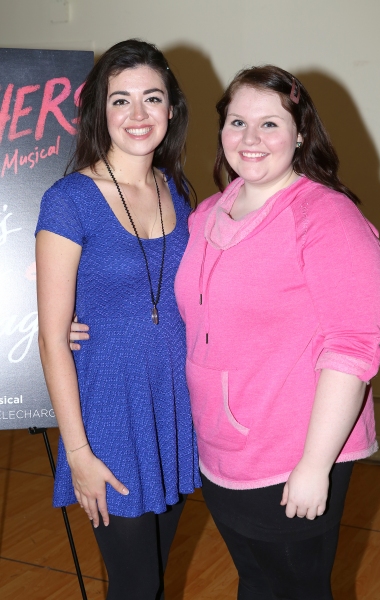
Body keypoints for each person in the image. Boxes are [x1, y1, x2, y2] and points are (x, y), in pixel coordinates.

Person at [173, 65, 380, 599]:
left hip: (292, 455)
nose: (250, 139)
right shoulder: (206, 213)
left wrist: (315, 465)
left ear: (300, 134)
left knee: (296, 590)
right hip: (223, 449)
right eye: (238, 122)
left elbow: (353, 347)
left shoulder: (326, 217)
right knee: (257, 582)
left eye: (270, 124)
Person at [35, 39, 201, 600]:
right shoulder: (69, 200)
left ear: (171, 109)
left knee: (154, 575)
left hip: (173, 409)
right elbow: (55, 338)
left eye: (151, 98)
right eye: (120, 100)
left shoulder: (177, 190)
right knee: (134, 584)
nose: (137, 115)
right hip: (109, 415)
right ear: (98, 112)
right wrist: (78, 455)